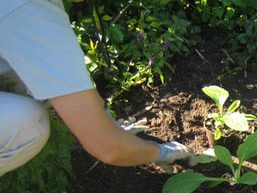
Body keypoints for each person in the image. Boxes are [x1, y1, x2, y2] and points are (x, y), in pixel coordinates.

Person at [0, 0, 193, 178]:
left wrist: (106, 121)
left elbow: (37, 69)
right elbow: (109, 148)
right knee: (27, 125)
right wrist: (160, 152)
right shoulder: (28, 10)